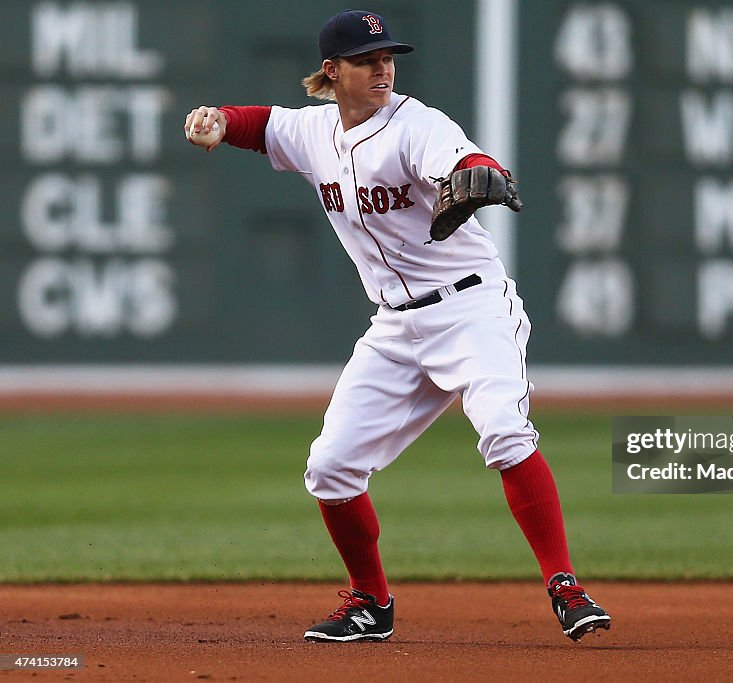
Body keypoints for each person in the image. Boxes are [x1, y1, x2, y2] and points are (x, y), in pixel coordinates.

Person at [183, 9, 611, 643]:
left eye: (387, 57)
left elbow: (462, 157)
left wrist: (477, 172)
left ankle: (565, 587)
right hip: (395, 327)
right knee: (329, 468)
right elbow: (262, 125)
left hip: (470, 309)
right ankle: (370, 603)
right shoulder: (314, 131)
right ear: (332, 72)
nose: (383, 67)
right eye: (367, 59)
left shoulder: (417, 125)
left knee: (503, 430)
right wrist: (218, 121)